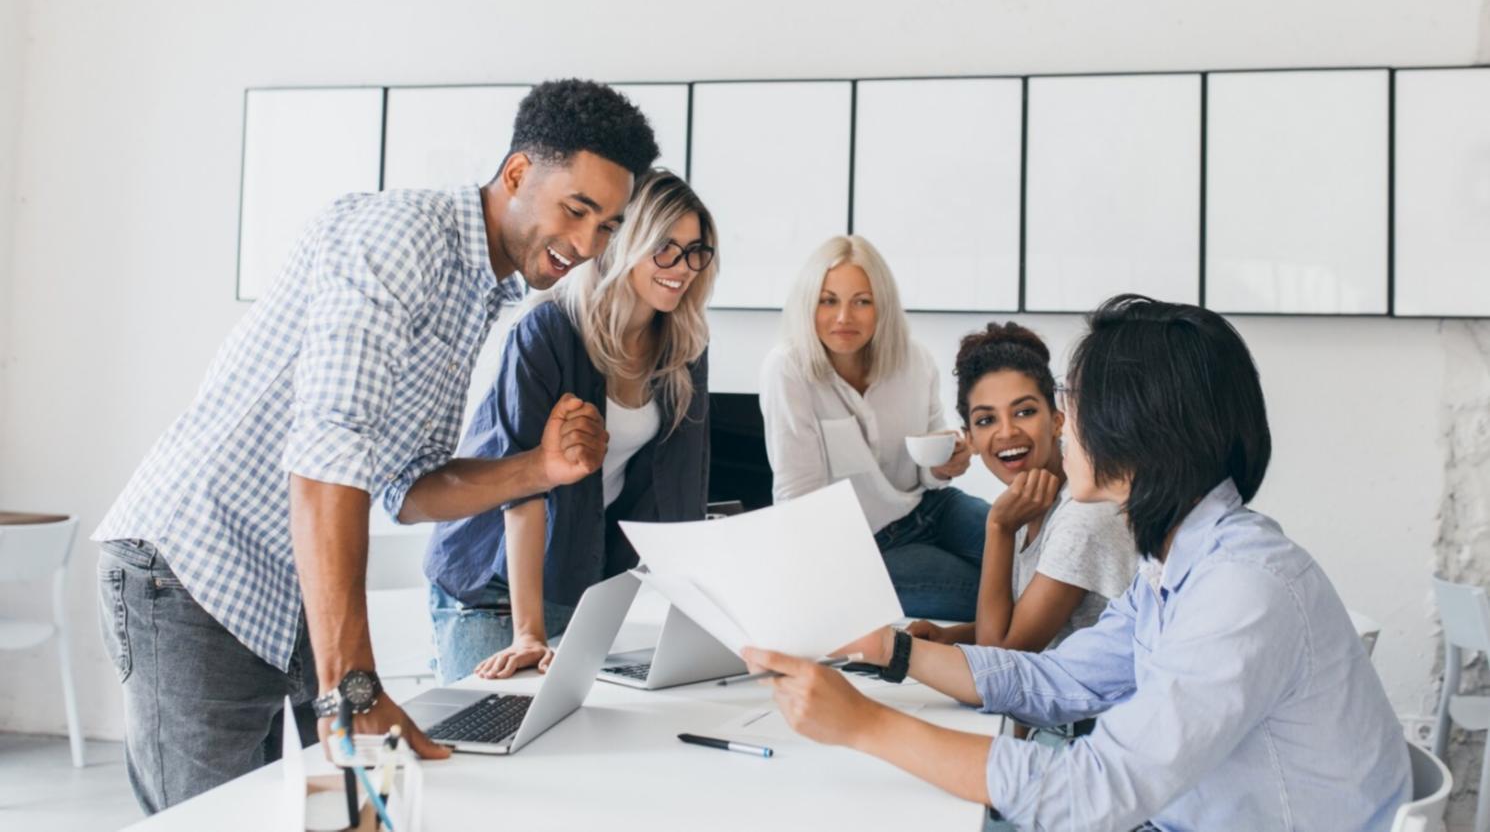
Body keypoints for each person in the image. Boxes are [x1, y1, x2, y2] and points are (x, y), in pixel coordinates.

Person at [93, 79, 657, 813]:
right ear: (517, 174)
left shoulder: (484, 288)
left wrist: (537, 469)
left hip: (295, 584)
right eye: (576, 210)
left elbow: (407, 487)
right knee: (215, 821)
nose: (587, 245)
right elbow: (329, 450)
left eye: (608, 226)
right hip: (194, 573)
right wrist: (351, 688)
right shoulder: (400, 237)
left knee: (366, 812)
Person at [745, 294, 1412, 831]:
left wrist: (866, 726)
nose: (1063, 424)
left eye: (1071, 402)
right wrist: (893, 652)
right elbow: (1058, 680)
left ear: (1137, 427)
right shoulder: (1176, 564)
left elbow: (1096, 794)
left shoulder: (1243, 588)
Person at [424, 171, 718, 683]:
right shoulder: (547, 331)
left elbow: (684, 491)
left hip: (580, 578)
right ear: (626, 243)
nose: (683, 268)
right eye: (665, 248)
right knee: (500, 724)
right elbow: (523, 489)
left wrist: (704, 617)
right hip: (495, 587)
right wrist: (528, 633)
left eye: (695, 251)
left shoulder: (683, 348)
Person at [758, 234, 988, 621]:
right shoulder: (788, 369)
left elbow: (928, 469)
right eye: (828, 300)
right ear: (808, 303)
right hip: (863, 548)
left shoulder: (915, 360)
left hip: (930, 508)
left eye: (861, 302)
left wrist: (944, 465)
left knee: (1028, 550)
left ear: (882, 305)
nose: (844, 317)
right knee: (989, 593)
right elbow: (799, 499)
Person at [908, 322, 1135, 654]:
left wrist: (998, 527)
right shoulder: (1028, 501)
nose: (1007, 432)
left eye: (1024, 412)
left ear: (1057, 420)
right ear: (969, 438)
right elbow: (1019, 623)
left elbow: (1000, 657)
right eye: (986, 420)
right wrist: (950, 637)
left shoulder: (1082, 518)